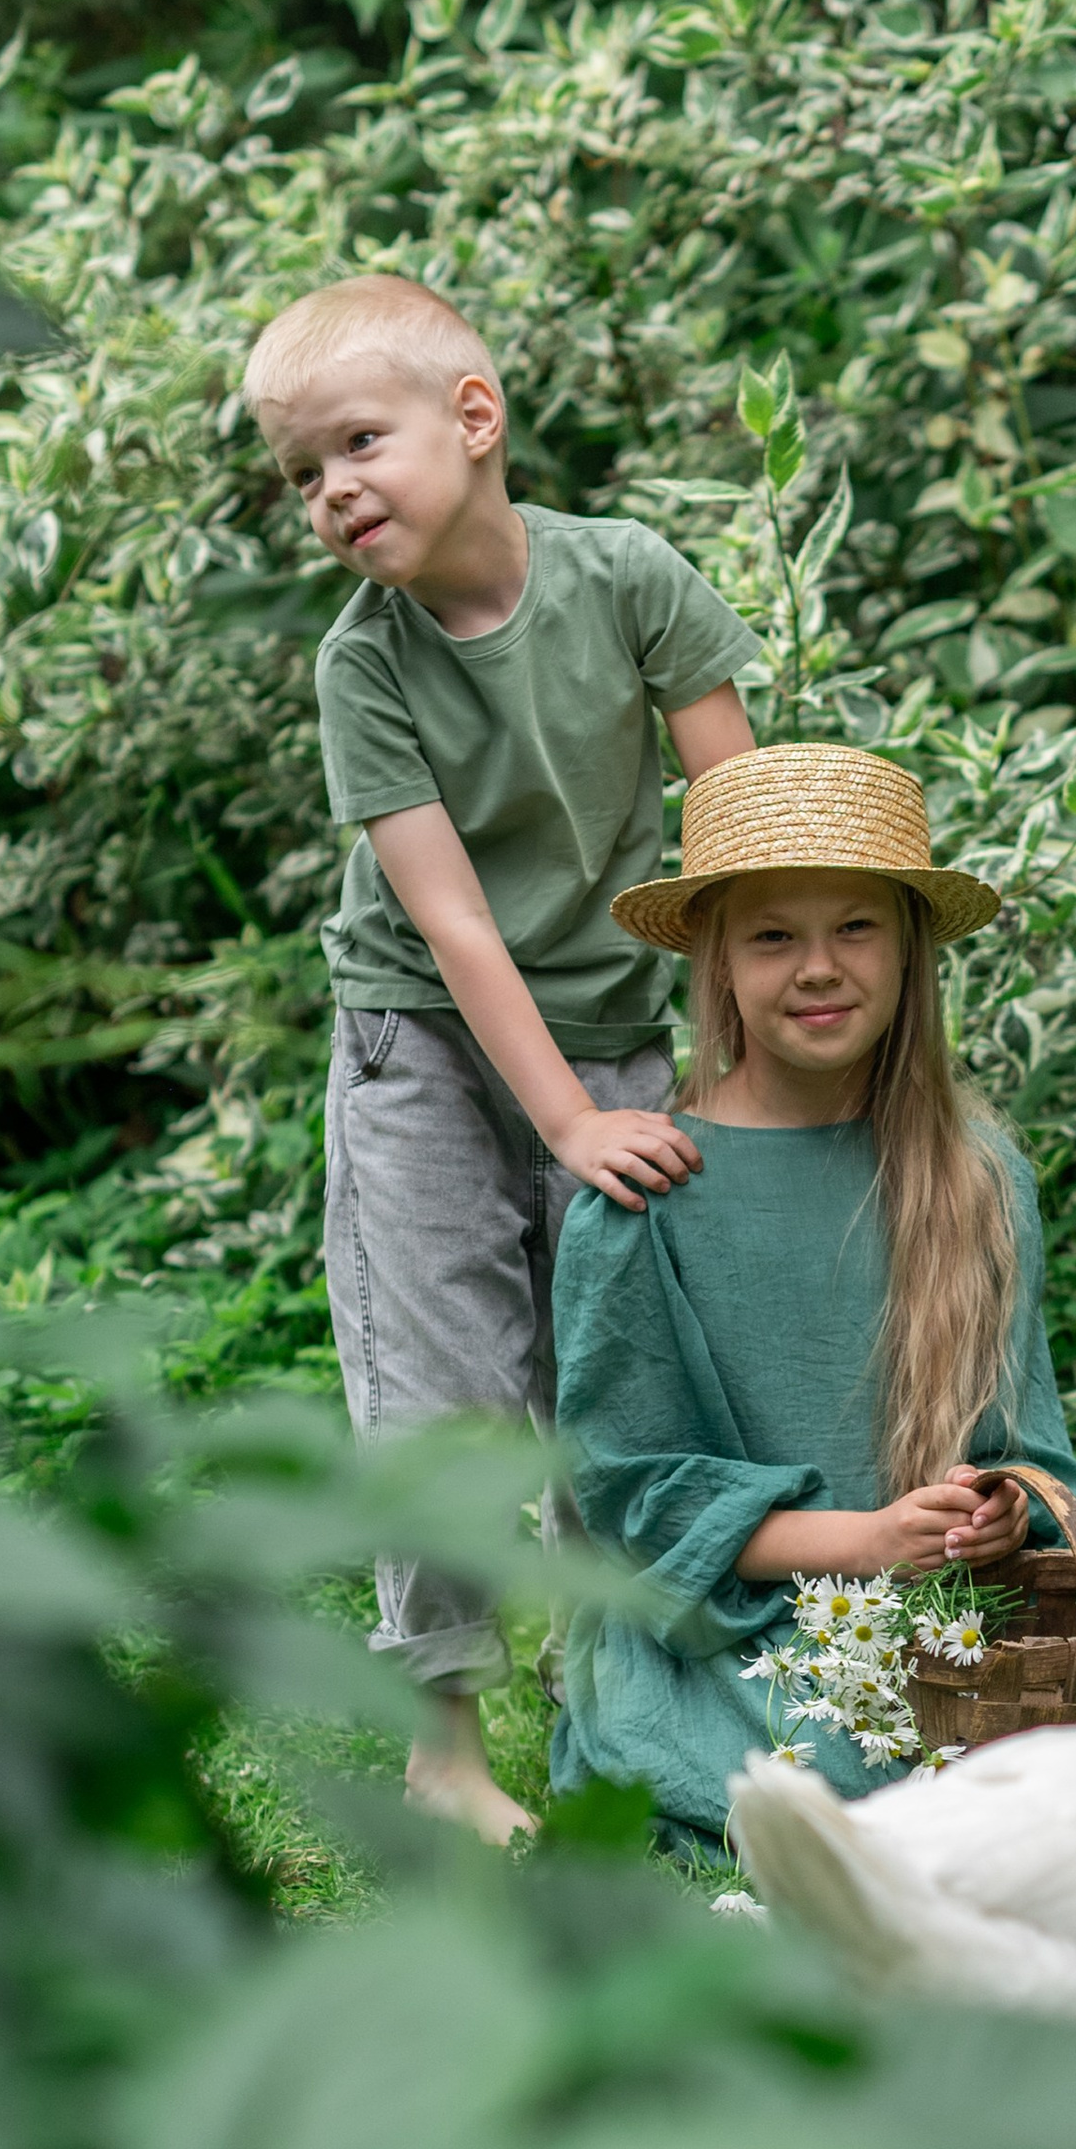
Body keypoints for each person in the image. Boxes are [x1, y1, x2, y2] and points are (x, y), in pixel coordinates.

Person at [245, 270, 766, 1844]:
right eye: (302, 473)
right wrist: (564, 1126)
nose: (333, 491)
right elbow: (456, 922)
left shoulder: (629, 579)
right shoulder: (365, 664)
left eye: (358, 443)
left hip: (613, 1029)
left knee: (624, 1369)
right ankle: (444, 1745)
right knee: (446, 1390)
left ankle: (618, 1686)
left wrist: (740, 1061)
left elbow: (739, 826)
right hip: (421, 1048)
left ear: (474, 418)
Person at [550, 742, 1076, 1849]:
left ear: (908, 952)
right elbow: (633, 1497)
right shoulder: (648, 1197)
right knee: (831, 1802)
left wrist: (996, 1512)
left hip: (935, 1625)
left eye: (854, 927)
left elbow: (1032, 1450)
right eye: (772, 937)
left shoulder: (977, 1177)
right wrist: (864, 1540)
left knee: (1026, 1808)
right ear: (716, 961)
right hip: (722, 1633)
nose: (818, 968)